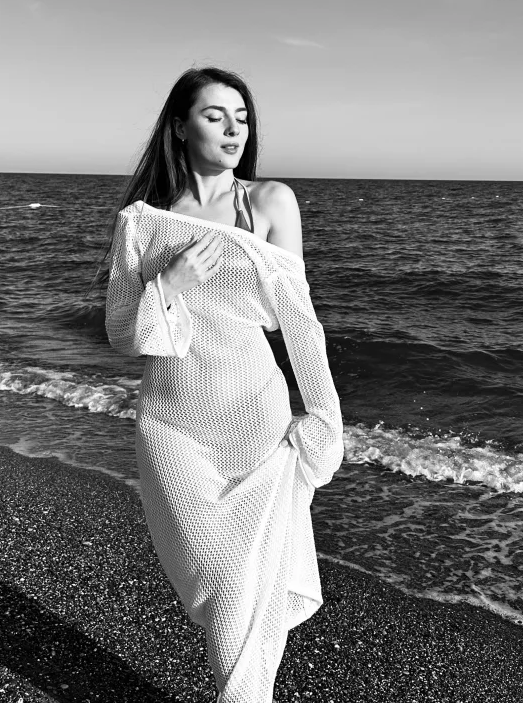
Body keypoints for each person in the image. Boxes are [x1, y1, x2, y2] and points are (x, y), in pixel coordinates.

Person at [103, 66, 344, 702]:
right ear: (180, 127)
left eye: (242, 118)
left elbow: (299, 323)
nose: (234, 130)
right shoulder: (142, 223)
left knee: (248, 582)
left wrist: (324, 413)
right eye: (215, 116)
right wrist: (168, 285)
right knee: (218, 578)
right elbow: (123, 334)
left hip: (254, 416)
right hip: (171, 425)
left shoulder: (269, 203)